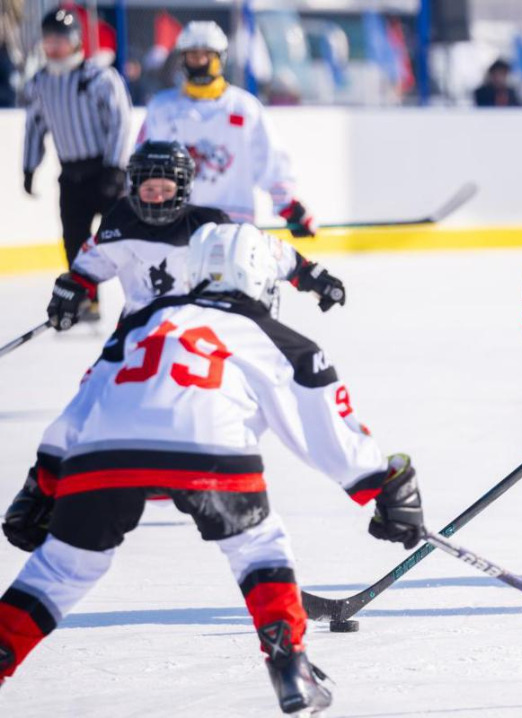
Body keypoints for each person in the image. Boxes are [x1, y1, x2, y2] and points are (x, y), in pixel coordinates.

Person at [0, 222, 424, 713]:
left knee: (65, 566)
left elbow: (86, 399)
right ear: (260, 278)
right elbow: (324, 433)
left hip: (105, 449)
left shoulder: (143, 320)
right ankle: (291, 666)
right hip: (211, 449)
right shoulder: (272, 335)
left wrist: (44, 480)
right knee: (257, 545)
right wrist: (381, 484)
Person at [44, 141, 345, 333]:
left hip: (197, 334)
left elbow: (266, 252)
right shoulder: (120, 223)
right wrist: (70, 291)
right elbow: (89, 266)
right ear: (134, 189)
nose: (158, 199)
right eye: (149, 191)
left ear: (184, 189)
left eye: (166, 191)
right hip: (135, 332)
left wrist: (311, 277)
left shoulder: (209, 224)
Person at [139, 21, 317, 235]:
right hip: (179, 223)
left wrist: (288, 206)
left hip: (234, 223)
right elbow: (142, 160)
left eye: (206, 55)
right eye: (192, 56)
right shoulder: (163, 107)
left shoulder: (244, 107)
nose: (199, 62)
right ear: (182, 59)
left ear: (220, 58)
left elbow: (270, 160)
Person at [22, 7, 132, 319]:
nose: (54, 46)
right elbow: (35, 126)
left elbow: (120, 121)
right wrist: (29, 167)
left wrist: (115, 167)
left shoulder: (98, 76)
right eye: (48, 39)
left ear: (76, 41)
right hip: (70, 175)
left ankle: (138, 296)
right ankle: (86, 300)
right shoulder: (41, 82)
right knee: (74, 240)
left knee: (121, 237)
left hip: (104, 172)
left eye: (61, 39)